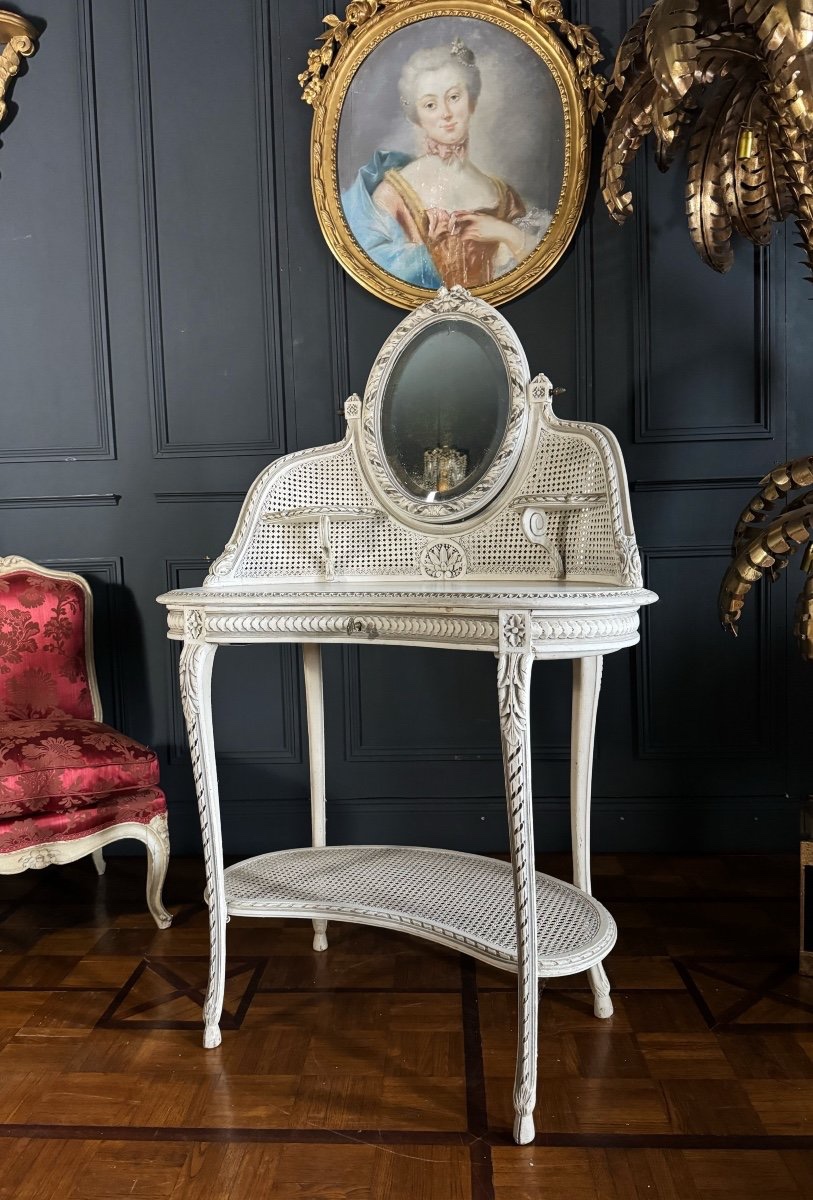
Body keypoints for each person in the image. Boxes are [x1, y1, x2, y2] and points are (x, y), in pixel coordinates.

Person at [341, 38, 552, 289]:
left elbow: (533, 270)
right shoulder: (392, 194)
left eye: (454, 97)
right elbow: (378, 277)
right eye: (430, 104)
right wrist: (425, 250)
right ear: (417, 117)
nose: (446, 113)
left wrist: (501, 231)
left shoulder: (503, 195)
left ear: (471, 102)